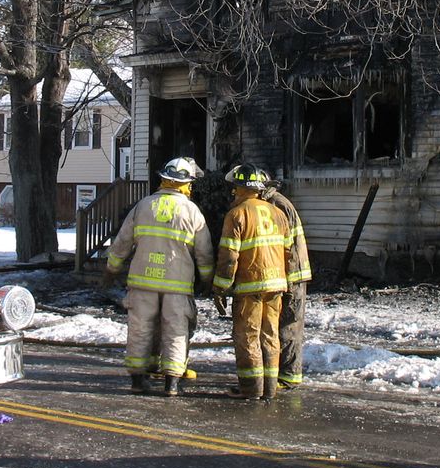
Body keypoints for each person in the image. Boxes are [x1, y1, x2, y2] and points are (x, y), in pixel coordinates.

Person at [103, 156, 213, 397]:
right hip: (177, 285)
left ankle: (138, 380)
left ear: (164, 180)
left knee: (140, 329)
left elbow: (122, 242)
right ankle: (171, 383)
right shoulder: (192, 211)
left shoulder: (143, 206)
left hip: (142, 283)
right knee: (176, 331)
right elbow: (204, 253)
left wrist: (111, 270)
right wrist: (207, 280)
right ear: (184, 184)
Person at [213, 163, 292, 401]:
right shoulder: (277, 212)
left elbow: (229, 257)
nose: (233, 192)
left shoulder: (236, 214)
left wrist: (220, 287)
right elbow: (288, 251)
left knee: (248, 336)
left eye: (235, 188)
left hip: (250, 286)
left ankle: (251, 388)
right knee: (270, 336)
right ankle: (269, 388)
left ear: (239, 188)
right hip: (276, 285)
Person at [263, 178, 310, 391]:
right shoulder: (274, 202)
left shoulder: (276, 205)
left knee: (288, 324)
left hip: (292, 274)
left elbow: (284, 245)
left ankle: (289, 375)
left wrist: (283, 277)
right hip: (290, 272)